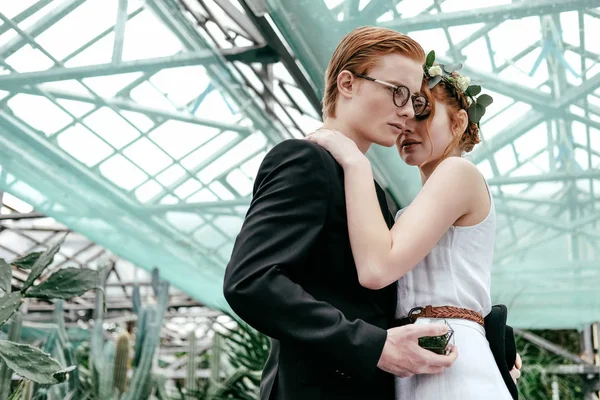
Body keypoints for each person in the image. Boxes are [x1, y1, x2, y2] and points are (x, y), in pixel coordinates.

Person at [223, 26, 458, 400]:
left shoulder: (366, 187)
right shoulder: (305, 160)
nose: (406, 110)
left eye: (414, 99)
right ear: (347, 83)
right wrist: (373, 346)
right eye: (397, 91)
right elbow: (251, 280)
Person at [305, 52, 518, 398]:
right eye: (404, 111)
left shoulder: (458, 172)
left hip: (451, 358)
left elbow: (376, 269)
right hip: (422, 357)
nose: (407, 124)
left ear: (460, 121)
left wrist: (355, 162)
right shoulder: (419, 208)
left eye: (423, 113)